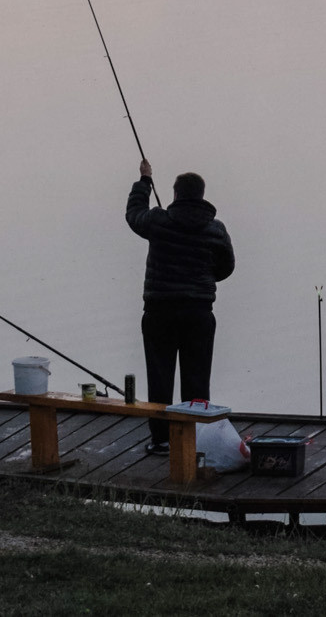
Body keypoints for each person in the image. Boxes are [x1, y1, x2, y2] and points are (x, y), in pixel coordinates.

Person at [126, 156, 234, 453]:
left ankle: (162, 440)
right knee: (197, 380)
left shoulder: (158, 220)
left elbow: (134, 214)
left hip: (159, 311)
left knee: (160, 378)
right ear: (201, 195)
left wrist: (144, 181)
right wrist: (203, 275)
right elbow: (226, 267)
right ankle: (195, 439)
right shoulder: (216, 229)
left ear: (175, 194)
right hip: (199, 313)